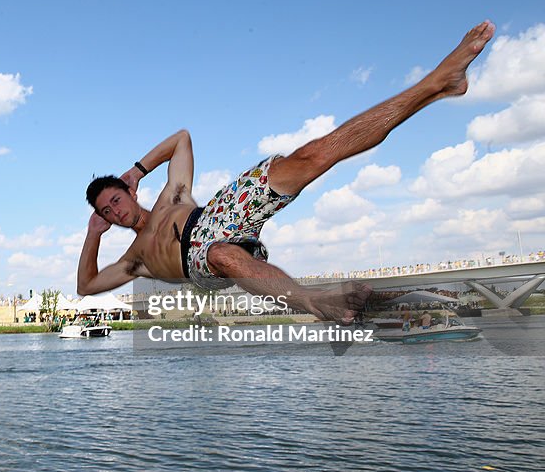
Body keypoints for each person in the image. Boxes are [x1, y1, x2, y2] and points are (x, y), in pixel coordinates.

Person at [78, 21, 495, 324]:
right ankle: (317, 303)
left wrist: (137, 169)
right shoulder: (136, 260)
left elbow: (182, 139)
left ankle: (438, 84)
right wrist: (92, 235)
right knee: (222, 255)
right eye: (107, 212)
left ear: (129, 192)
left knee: (313, 155)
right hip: (200, 260)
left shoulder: (172, 196)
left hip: (216, 213)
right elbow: (87, 286)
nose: (115, 211)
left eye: (115, 200)